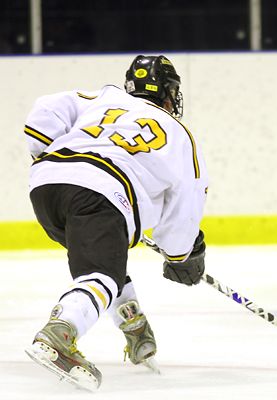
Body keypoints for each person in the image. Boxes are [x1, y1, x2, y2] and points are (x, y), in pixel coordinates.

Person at [23, 55, 209, 390]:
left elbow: (45, 109)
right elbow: (186, 203)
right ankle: (60, 332)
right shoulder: (179, 134)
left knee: (104, 260)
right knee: (101, 275)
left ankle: (133, 325)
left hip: (46, 187)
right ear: (168, 92)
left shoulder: (105, 98)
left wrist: (48, 156)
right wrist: (181, 254)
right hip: (101, 193)